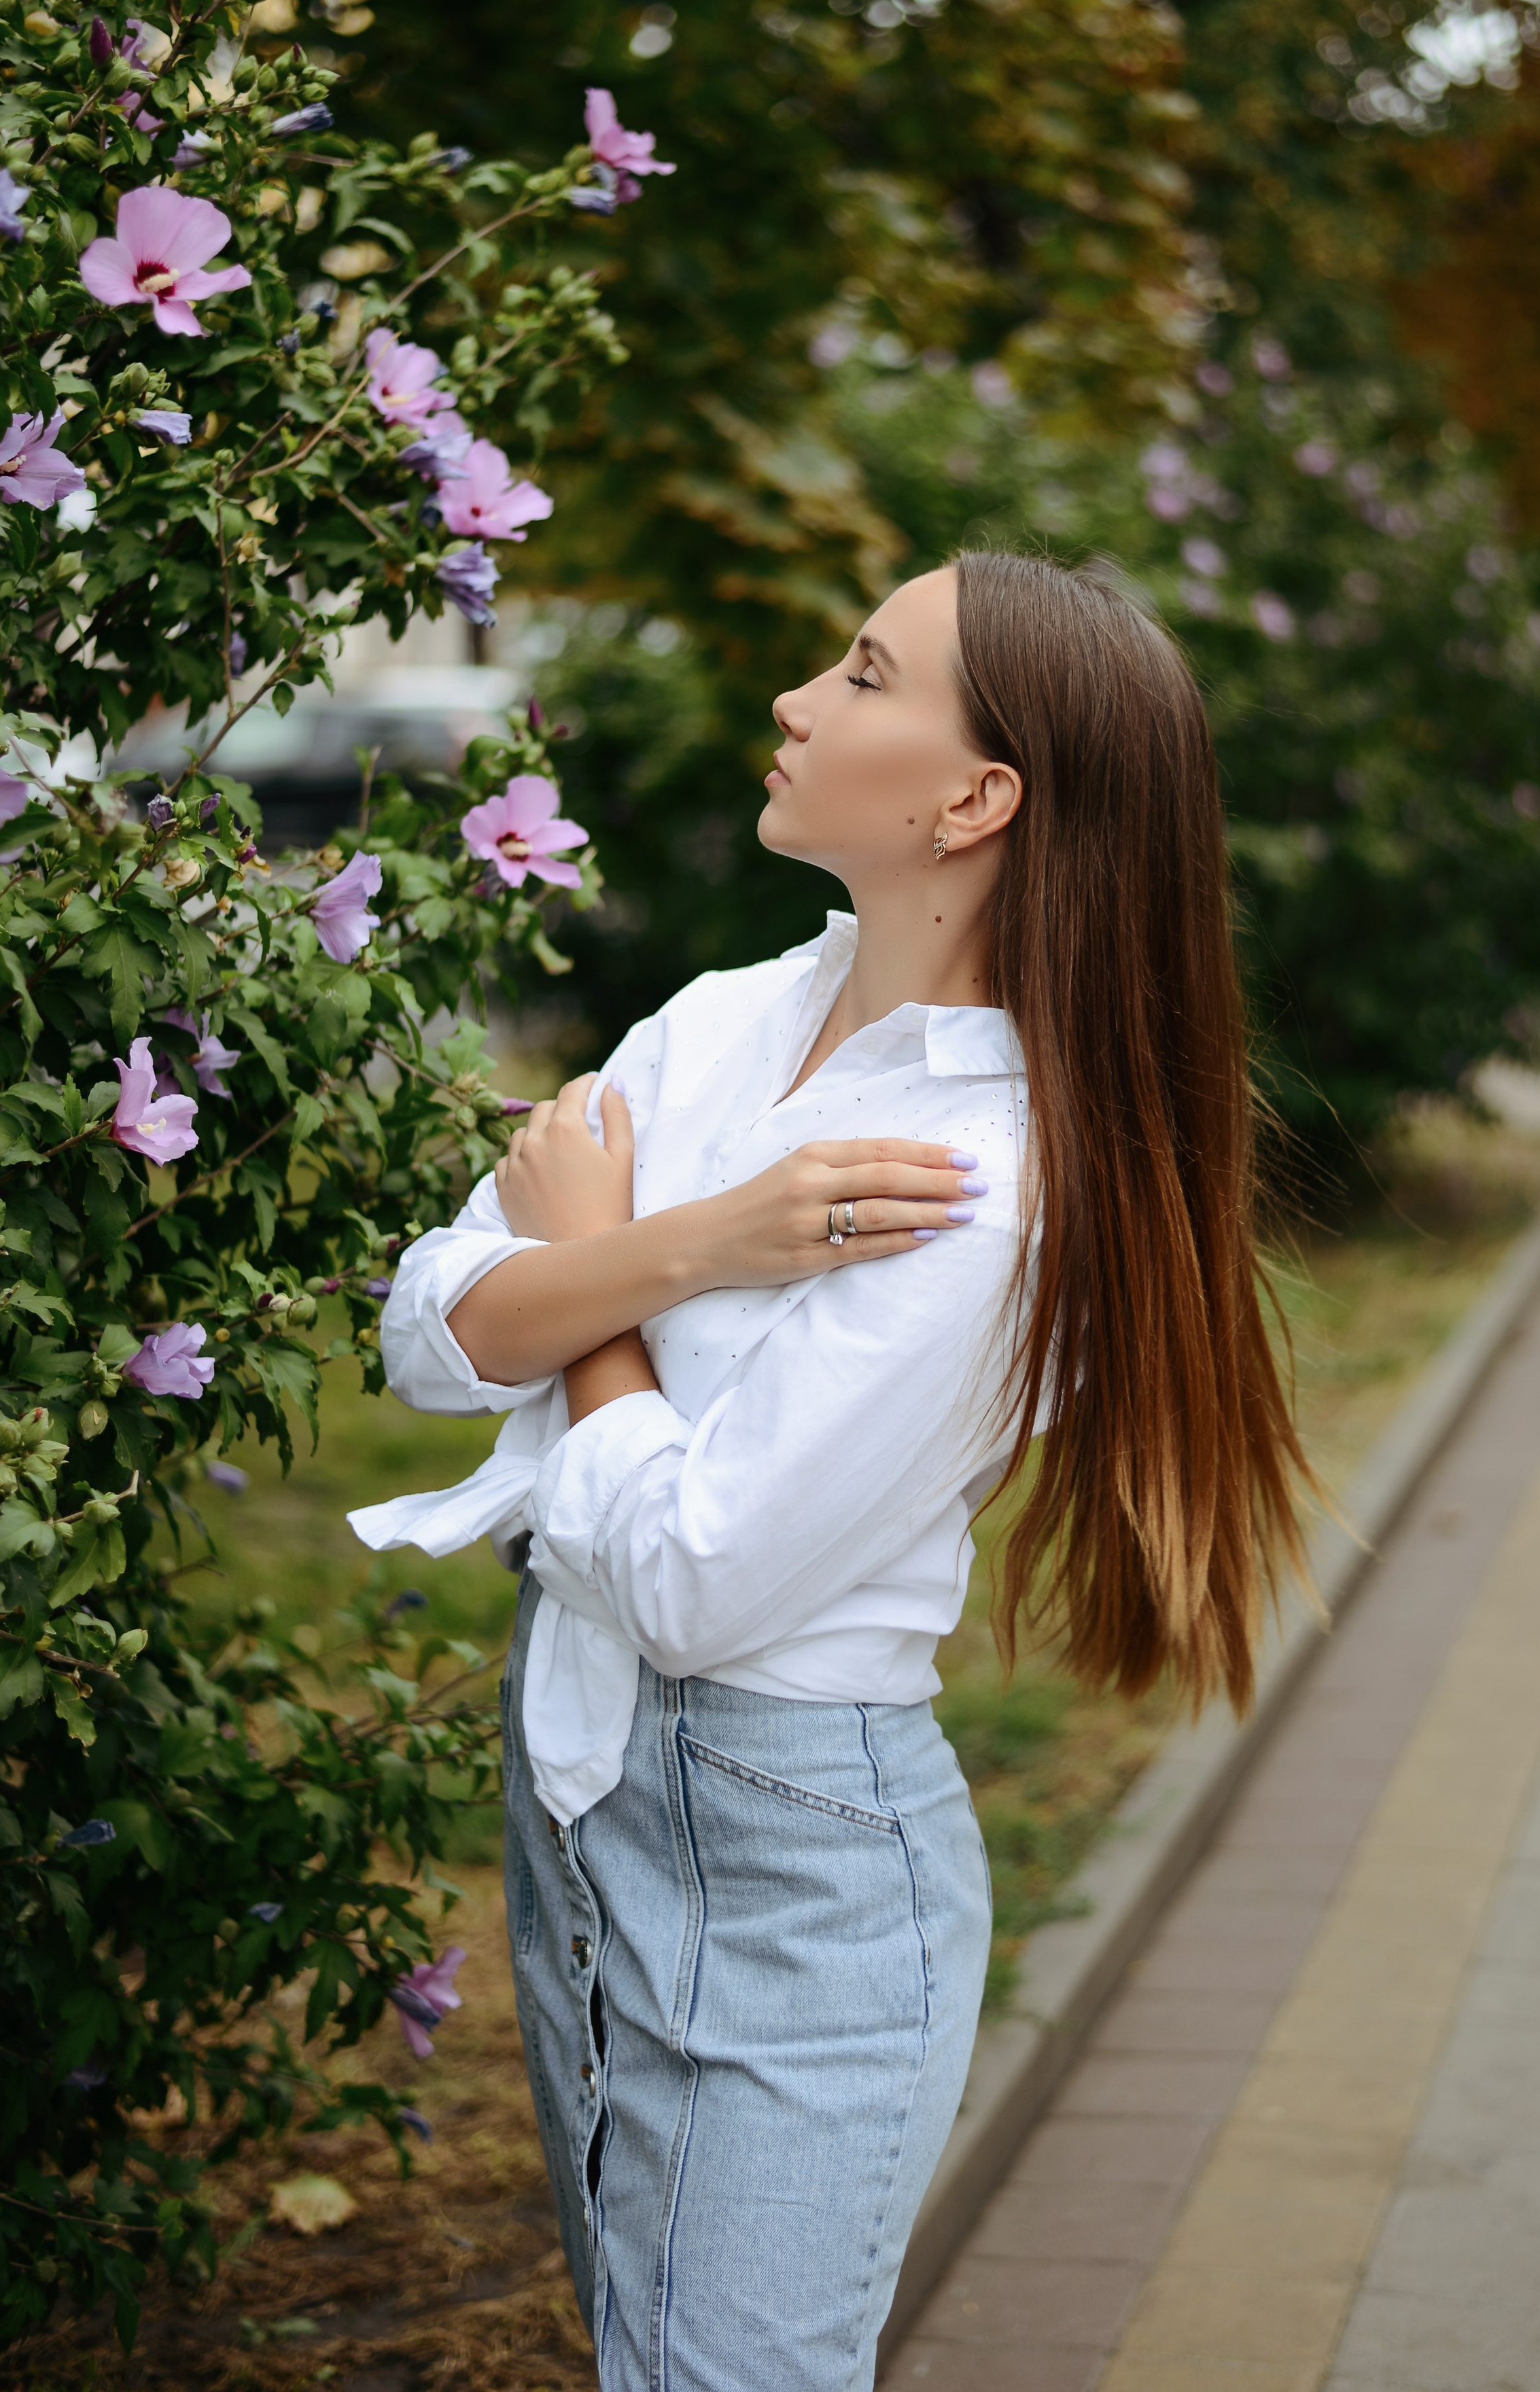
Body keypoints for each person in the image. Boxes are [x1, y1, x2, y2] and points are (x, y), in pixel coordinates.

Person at [351, 549, 1312, 2391]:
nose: (795, 698)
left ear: (974, 799)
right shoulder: (719, 1021)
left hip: (789, 1859)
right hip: (581, 1800)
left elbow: (694, 1578)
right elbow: (426, 1328)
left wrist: (594, 1284)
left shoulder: (992, 1177)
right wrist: (692, 1246)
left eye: (865, 674)